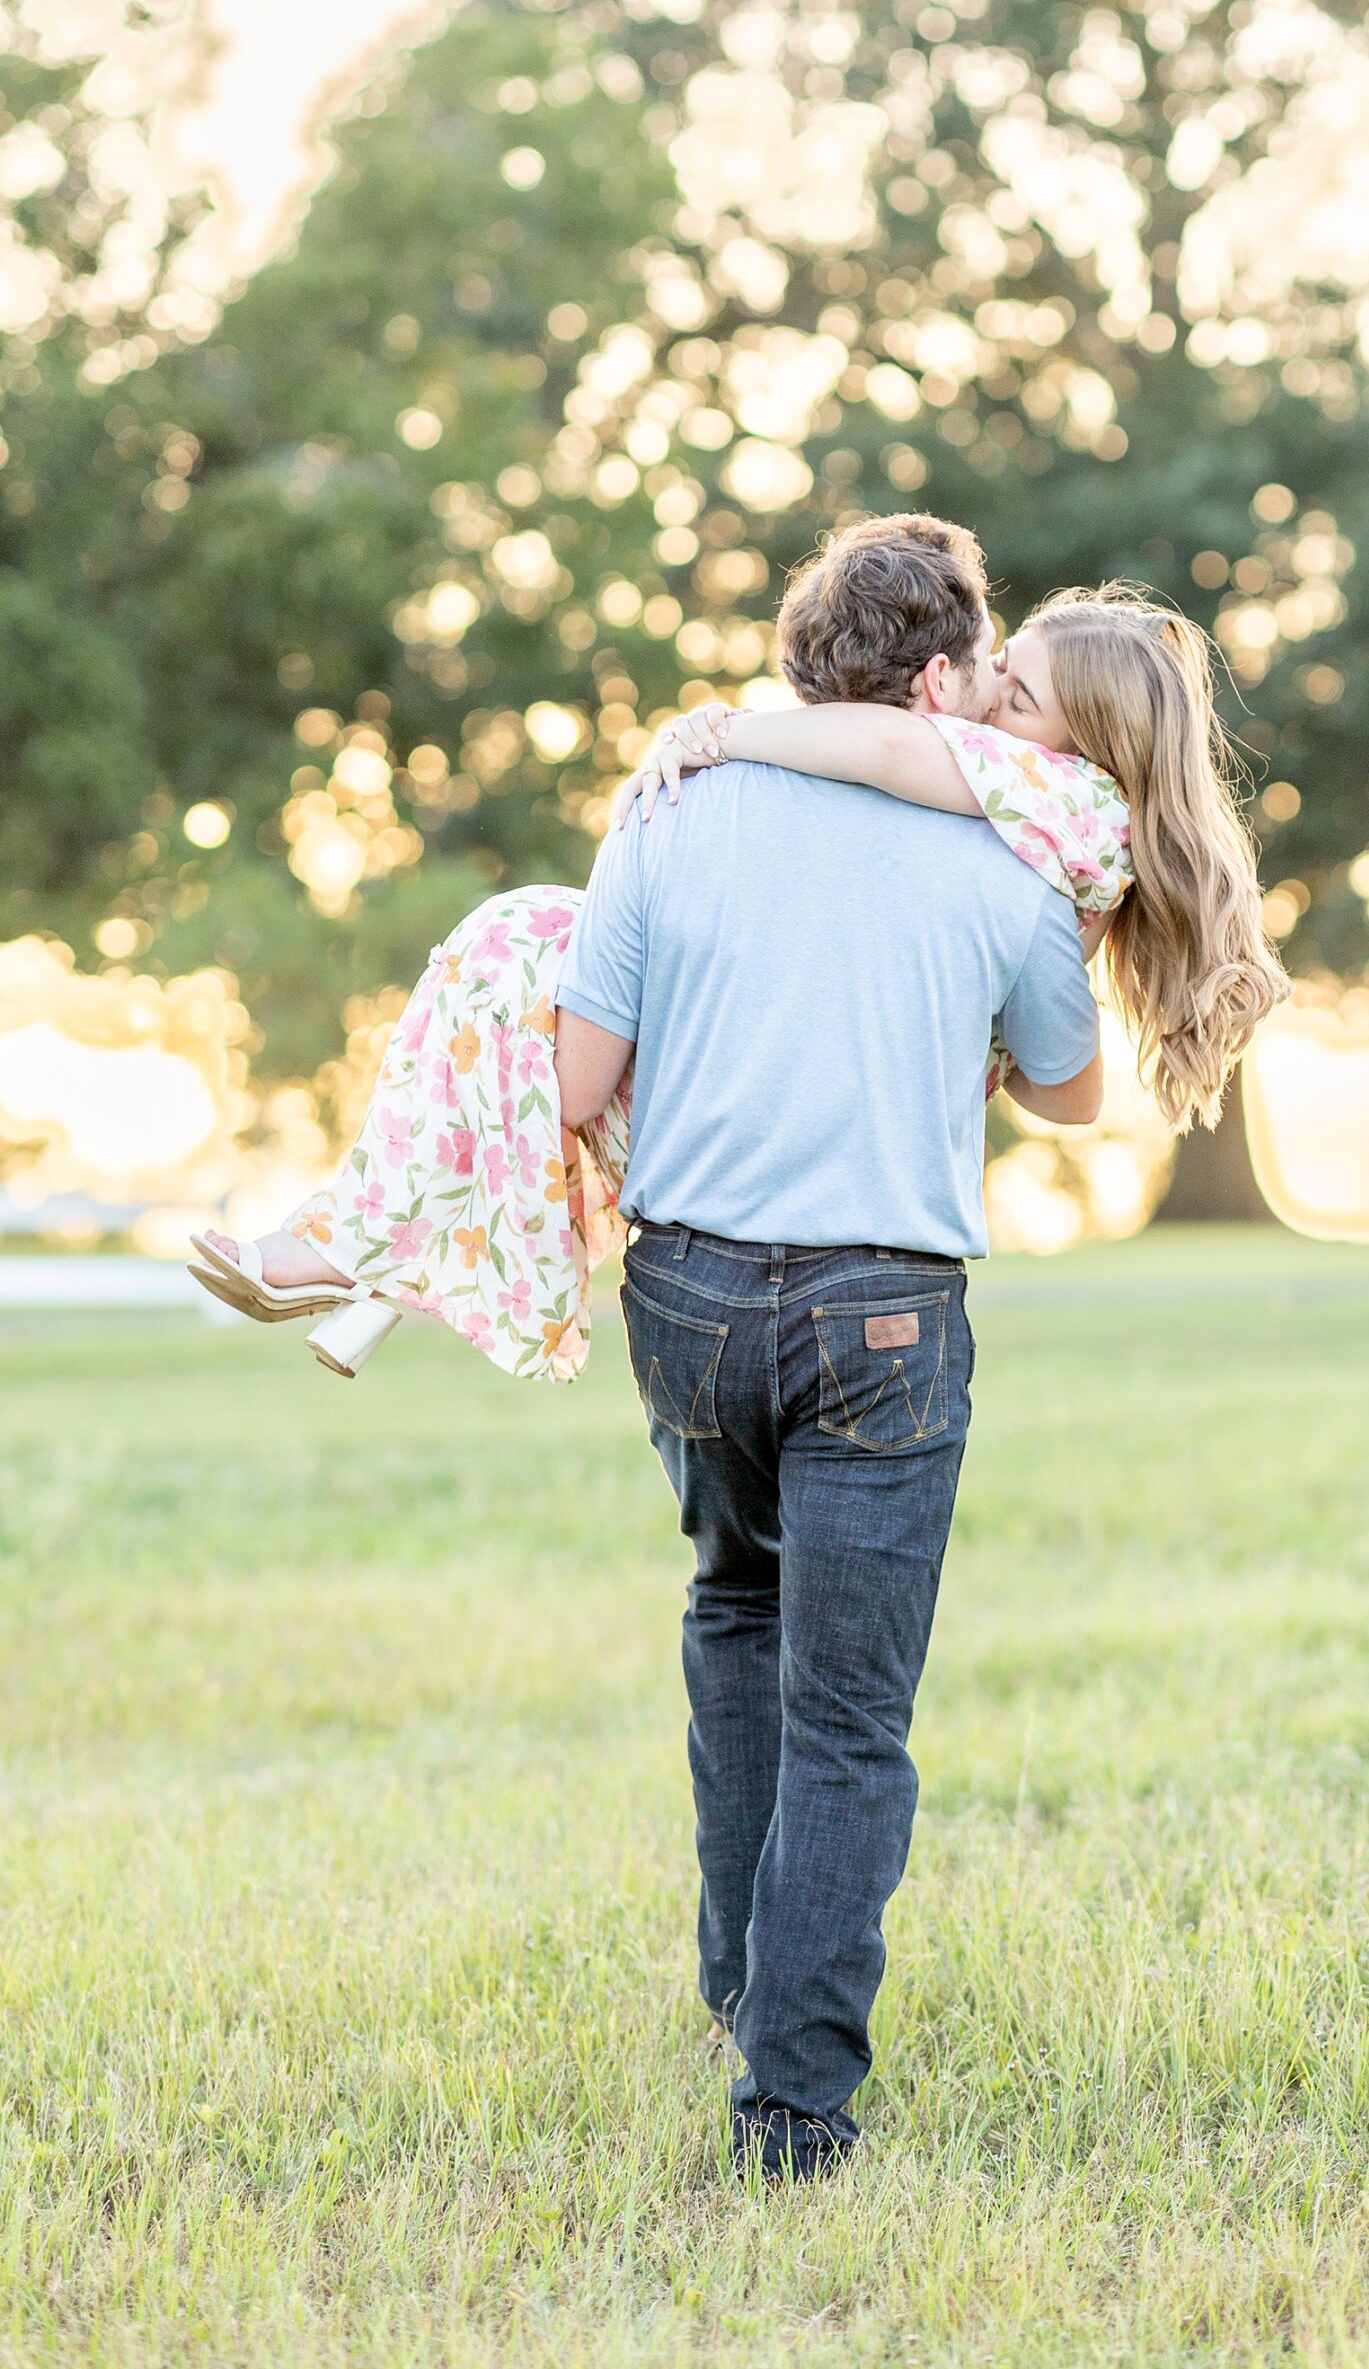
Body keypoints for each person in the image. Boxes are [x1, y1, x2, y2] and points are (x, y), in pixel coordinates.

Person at [188, 535, 1285, 1380]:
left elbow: (892, 741)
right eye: (994, 670)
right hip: (870, 1192)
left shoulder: (1050, 796)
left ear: (1089, 739)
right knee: (520, 967)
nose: (993, 694)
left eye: (1018, 689)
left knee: (510, 947)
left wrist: (718, 730)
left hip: (718, 1211)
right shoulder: (1040, 817)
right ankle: (368, 1250)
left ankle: (357, 1245)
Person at [548, 513, 1103, 2177]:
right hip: (883, 1308)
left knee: (732, 1608)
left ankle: (739, 1981)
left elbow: (576, 1091)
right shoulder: (1010, 851)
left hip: (688, 1300)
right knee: (848, 1712)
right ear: (938, 675)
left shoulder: (667, 807)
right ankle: (793, 2103)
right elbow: (1073, 1091)